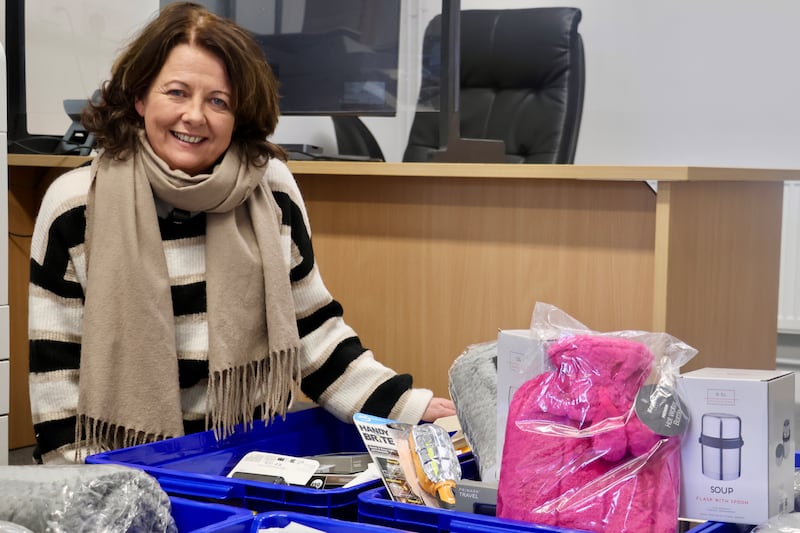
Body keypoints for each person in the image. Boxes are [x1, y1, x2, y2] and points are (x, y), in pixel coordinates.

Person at [28, 1, 455, 464]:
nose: (195, 116)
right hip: (120, 467)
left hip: (246, 458)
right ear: (139, 97)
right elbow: (55, 378)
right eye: (176, 92)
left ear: (239, 114)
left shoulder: (270, 187)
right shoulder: (75, 204)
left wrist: (407, 406)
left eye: (218, 101)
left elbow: (312, 333)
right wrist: (94, 497)